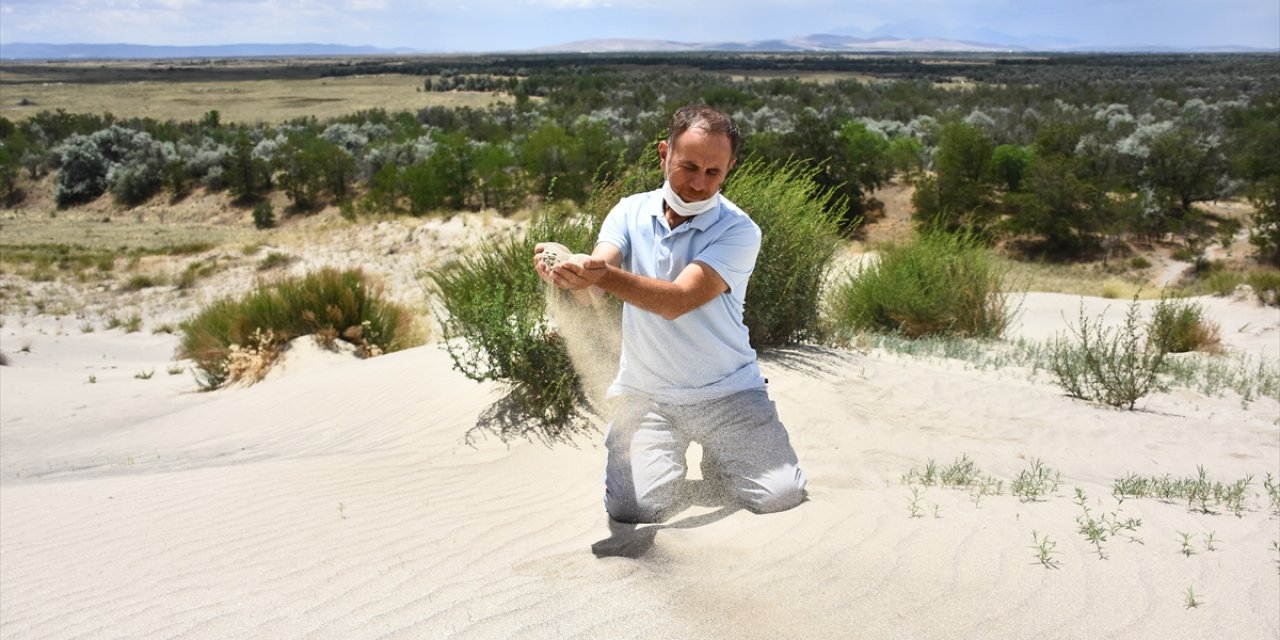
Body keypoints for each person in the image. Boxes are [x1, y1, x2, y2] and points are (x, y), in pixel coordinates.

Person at [534, 104, 806, 524]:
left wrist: (598, 275)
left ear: (730, 167)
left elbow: (676, 301)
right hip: (649, 397)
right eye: (688, 166)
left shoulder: (738, 230)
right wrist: (573, 273)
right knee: (633, 508)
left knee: (780, 495)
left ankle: (723, 459)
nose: (698, 183)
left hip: (730, 393)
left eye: (713, 172)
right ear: (664, 154)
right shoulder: (628, 211)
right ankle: (666, 462)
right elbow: (600, 272)